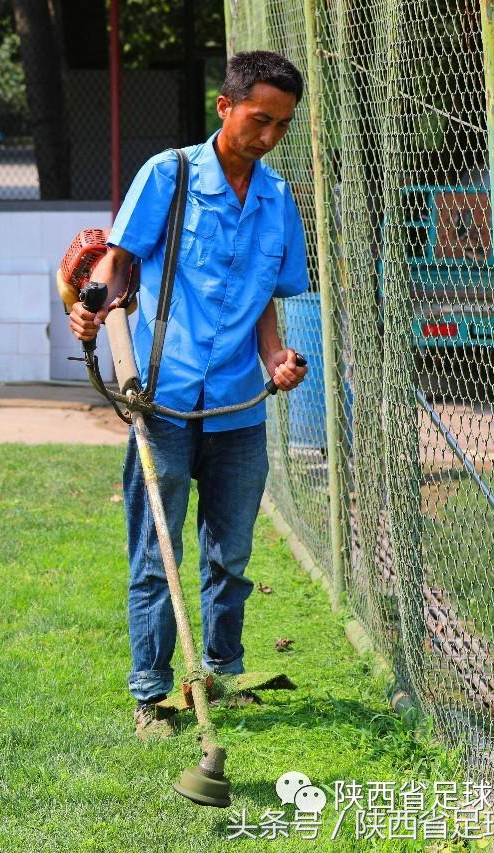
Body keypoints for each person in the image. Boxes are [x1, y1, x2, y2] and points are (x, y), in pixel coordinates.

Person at [70, 51, 311, 740]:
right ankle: (150, 697)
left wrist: (276, 358)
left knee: (230, 556)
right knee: (157, 557)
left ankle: (224, 674)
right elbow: (118, 261)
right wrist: (93, 307)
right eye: (259, 119)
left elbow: (264, 298)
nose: (268, 136)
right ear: (225, 106)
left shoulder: (278, 200)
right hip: (164, 402)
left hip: (237, 407)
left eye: (282, 125)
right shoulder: (168, 175)